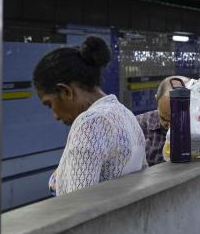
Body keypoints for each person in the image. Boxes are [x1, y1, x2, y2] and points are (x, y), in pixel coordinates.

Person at [34, 36, 146, 196]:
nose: (55, 116)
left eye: (49, 104)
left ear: (66, 91)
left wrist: (56, 182)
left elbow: (78, 202)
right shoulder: (125, 114)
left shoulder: (90, 123)